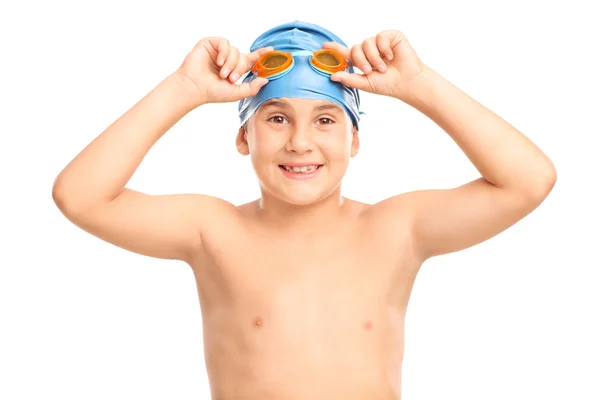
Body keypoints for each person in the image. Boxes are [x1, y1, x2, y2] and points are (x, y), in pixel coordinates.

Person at [52, 20, 556, 400]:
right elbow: (80, 196)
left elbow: (529, 180)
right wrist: (183, 90)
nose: (300, 142)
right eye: (276, 117)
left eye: (324, 119)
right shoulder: (214, 232)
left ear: (354, 140)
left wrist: (417, 83)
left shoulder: (394, 230)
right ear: (243, 138)